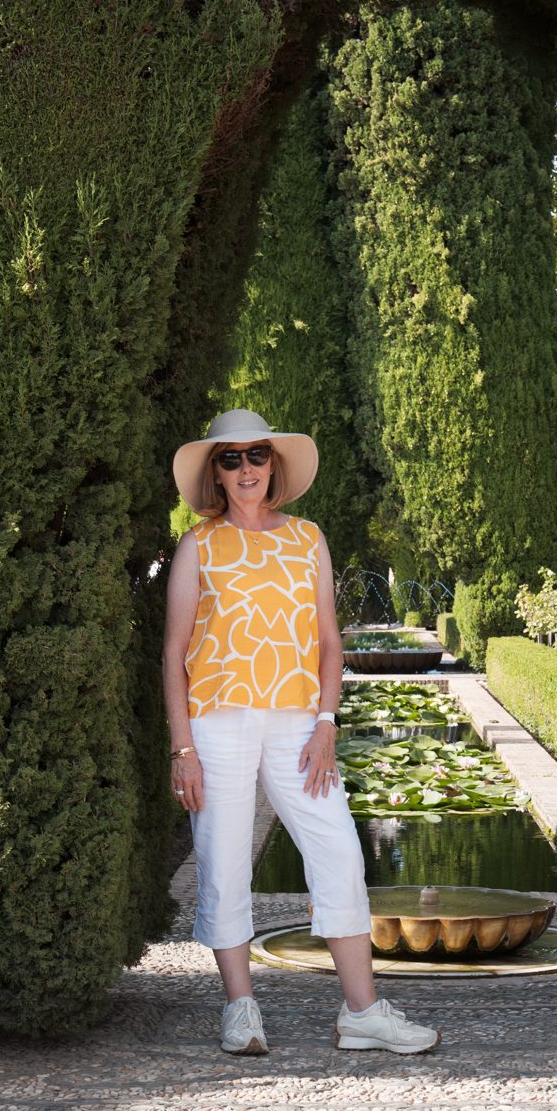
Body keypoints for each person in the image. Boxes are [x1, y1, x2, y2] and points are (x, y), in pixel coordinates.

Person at [162, 408, 439, 1056]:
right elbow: (174, 652)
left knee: (340, 851)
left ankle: (363, 1013)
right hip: (217, 720)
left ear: (273, 463)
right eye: (230, 460)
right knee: (225, 862)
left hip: (297, 723)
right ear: (216, 475)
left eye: (256, 455)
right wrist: (183, 749)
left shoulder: (307, 537)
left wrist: (325, 723)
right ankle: (241, 1009)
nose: (246, 468)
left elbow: (329, 644)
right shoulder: (198, 546)